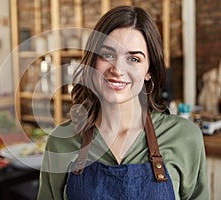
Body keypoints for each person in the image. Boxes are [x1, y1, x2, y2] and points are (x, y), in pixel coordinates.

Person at [37, 6, 209, 200]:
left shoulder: (185, 137)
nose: (117, 69)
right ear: (93, 62)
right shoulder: (61, 142)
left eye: (134, 59)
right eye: (107, 54)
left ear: (149, 71)